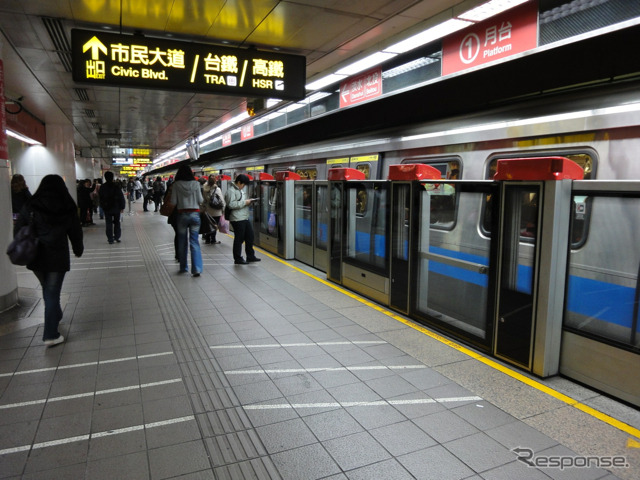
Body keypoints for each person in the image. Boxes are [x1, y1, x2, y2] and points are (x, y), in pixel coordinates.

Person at [14, 175, 84, 347]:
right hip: (57, 255)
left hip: (36, 255)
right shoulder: (67, 205)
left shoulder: (31, 205)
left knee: (48, 290)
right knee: (52, 292)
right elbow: (75, 230)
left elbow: (18, 230)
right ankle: (51, 334)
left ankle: (56, 315)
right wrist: (77, 248)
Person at [170, 164, 203, 276]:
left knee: (182, 241)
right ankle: (197, 269)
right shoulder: (196, 184)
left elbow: (173, 202)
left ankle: (183, 267)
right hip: (195, 215)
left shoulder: (176, 185)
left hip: (182, 215)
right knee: (194, 242)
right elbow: (200, 200)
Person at [225, 173, 260, 265]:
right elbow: (231, 205)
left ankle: (250, 256)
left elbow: (240, 202)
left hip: (244, 217)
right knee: (239, 239)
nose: (244, 187)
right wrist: (245, 202)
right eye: (243, 184)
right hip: (236, 218)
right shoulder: (231, 191)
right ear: (239, 182)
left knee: (250, 236)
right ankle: (238, 258)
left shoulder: (240, 190)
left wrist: (249, 202)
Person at [99, 171, 126, 244]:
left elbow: (100, 198)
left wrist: (102, 206)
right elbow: (121, 197)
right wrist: (122, 206)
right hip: (116, 207)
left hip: (107, 208)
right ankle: (117, 237)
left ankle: (110, 239)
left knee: (108, 223)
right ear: (112, 177)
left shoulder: (102, 187)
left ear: (105, 177)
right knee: (117, 223)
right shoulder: (116, 186)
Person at [201, 175, 225, 244]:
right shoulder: (217, 189)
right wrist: (223, 210)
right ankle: (213, 239)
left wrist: (203, 208)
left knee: (208, 224)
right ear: (215, 181)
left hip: (208, 210)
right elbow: (222, 200)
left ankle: (207, 239)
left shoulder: (205, 189)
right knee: (215, 225)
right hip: (216, 211)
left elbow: (204, 200)